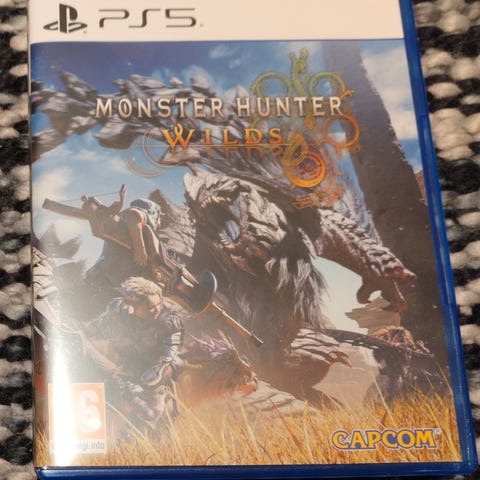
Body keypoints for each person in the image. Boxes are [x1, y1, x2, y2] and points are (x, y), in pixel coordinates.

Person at [86, 276, 184, 383]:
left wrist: (158, 370)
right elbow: (100, 324)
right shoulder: (118, 307)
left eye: (159, 303)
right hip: (131, 354)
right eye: (150, 307)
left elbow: (171, 350)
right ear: (131, 306)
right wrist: (86, 331)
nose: (158, 309)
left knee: (173, 365)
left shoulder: (170, 318)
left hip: (156, 360)